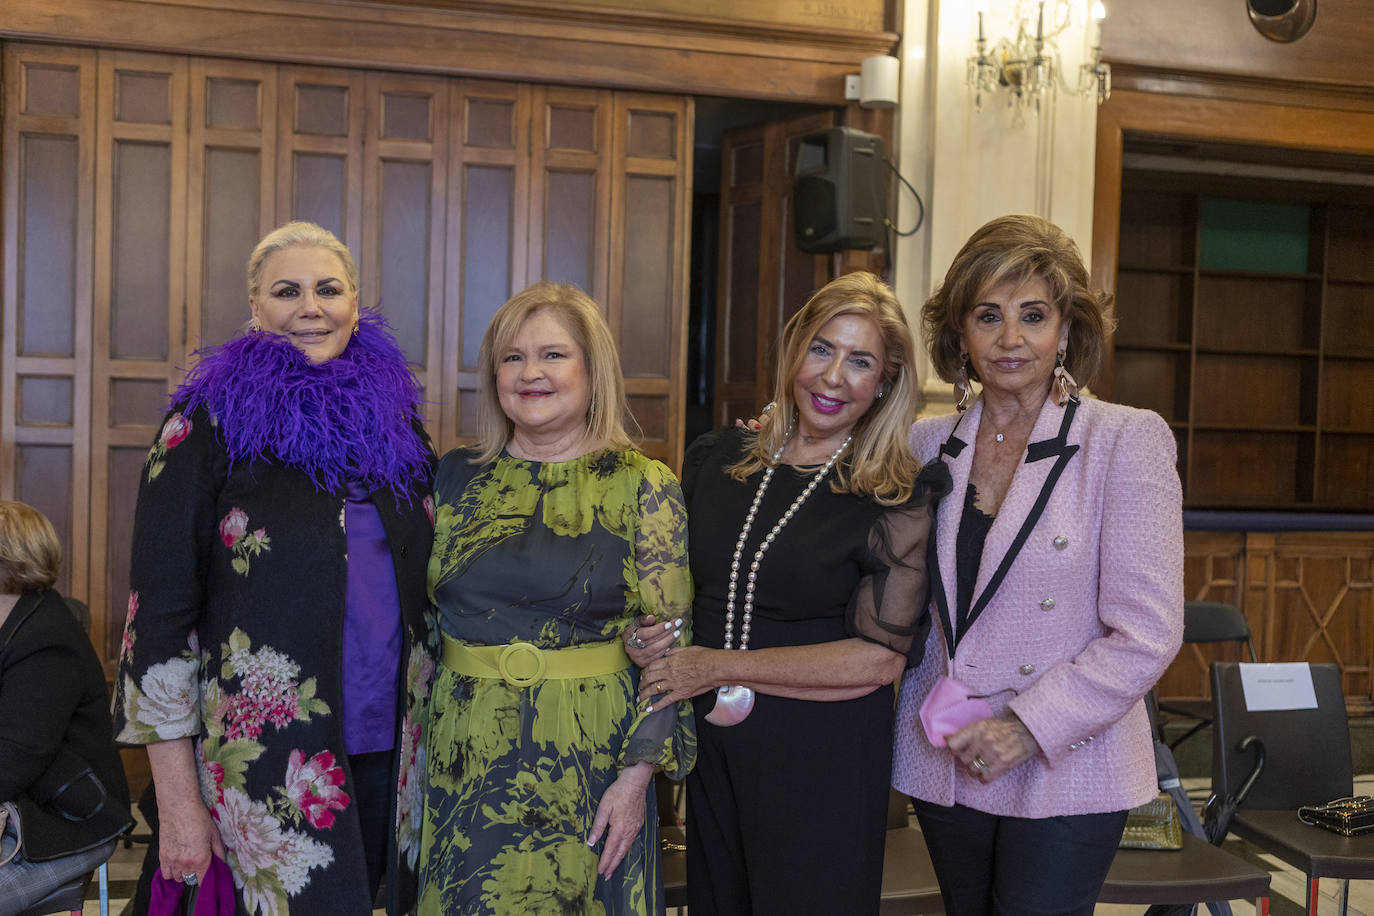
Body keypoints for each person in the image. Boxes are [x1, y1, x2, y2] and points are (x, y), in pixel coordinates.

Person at [113, 221, 438, 915]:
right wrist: (177, 807)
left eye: (329, 289)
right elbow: (157, 628)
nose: (310, 307)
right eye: (287, 292)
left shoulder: (397, 423)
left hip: (398, 749)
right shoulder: (203, 427)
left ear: (357, 303)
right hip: (264, 763)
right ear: (255, 310)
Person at [891, 214, 1185, 916]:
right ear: (959, 333)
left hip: (1064, 757)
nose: (1010, 338)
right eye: (987, 316)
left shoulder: (1124, 439)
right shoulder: (925, 442)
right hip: (949, 752)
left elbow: (1147, 632)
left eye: (1032, 315)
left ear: (1066, 330)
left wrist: (1026, 726)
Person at [629, 271, 946, 915]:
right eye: (822, 349)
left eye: (861, 361)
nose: (833, 378)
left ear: (885, 381)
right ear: (795, 348)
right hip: (716, 750)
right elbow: (676, 594)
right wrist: (647, 636)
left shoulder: (893, 493)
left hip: (821, 758)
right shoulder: (716, 458)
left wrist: (717, 666)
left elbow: (878, 659)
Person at [418, 282, 695, 915]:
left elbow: (670, 654)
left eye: (552, 355)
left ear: (593, 370)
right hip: (463, 752)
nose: (531, 372)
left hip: (591, 755)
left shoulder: (644, 484)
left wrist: (637, 777)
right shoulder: (455, 474)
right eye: (512, 357)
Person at [0, 501, 132, 916]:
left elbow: (14, 759)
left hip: (67, 821)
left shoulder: (47, 638)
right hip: (24, 803)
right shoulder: (16, 623)